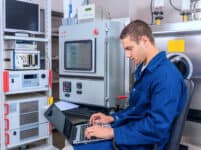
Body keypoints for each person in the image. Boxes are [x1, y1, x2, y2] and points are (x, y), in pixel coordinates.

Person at [73, 20, 187, 150]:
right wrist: (112, 118)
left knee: (82, 147)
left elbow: (156, 127)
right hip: (132, 132)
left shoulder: (166, 76)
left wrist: (112, 132)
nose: (127, 55)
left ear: (144, 41)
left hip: (144, 143)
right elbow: (136, 110)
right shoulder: (144, 69)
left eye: (129, 48)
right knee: (82, 137)